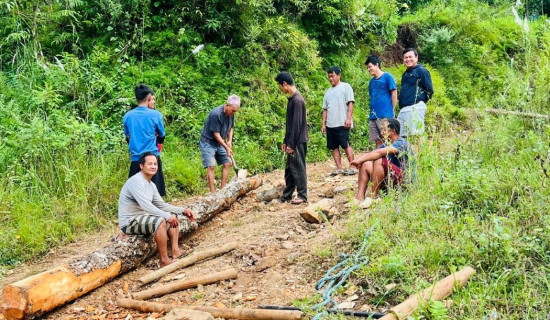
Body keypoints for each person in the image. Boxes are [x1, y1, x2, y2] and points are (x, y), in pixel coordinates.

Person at [118, 152, 195, 267]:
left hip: (143, 218)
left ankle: (176, 251)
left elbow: (161, 204)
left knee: (171, 215)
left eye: (155, 164)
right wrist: (167, 217)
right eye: (150, 164)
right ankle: (164, 260)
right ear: (141, 166)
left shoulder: (151, 184)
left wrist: (182, 210)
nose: (153, 166)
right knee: (161, 221)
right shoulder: (136, 181)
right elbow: (146, 206)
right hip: (130, 222)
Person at [349, 118, 416, 208]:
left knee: (379, 160)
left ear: (392, 131)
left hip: (404, 181)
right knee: (366, 164)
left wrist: (359, 160)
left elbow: (379, 153)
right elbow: (374, 153)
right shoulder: (387, 143)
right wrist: (362, 160)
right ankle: (359, 197)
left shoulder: (401, 143)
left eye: (384, 129)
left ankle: (374, 197)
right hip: (391, 177)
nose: (381, 132)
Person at [123, 84, 167, 196]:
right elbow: (162, 135)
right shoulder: (155, 115)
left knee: (136, 195)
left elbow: (127, 137)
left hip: (136, 159)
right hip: (152, 158)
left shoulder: (128, 116)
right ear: (148, 99)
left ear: (136, 98)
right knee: (155, 195)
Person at [276, 71, 309, 205]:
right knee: (289, 169)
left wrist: (291, 144)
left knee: (299, 167)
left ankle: (302, 195)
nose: (280, 89)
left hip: (298, 141)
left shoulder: (297, 100)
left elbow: (296, 125)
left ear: (285, 84)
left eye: (280, 86)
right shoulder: (292, 99)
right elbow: (289, 125)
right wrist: (286, 141)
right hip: (292, 140)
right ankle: (287, 194)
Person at [199, 95, 241, 193]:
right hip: (208, 142)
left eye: (235, 111)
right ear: (227, 105)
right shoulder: (216, 114)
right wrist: (226, 147)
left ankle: (223, 189)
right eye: (233, 111)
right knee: (211, 166)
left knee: (228, 163)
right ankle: (213, 193)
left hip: (220, 143)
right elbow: (216, 135)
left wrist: (229, 141)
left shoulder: (231, 114)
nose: (234, 113)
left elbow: (231, 128)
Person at [321, 66, 357, 176]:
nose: (331, 78)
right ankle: (339, 167)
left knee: (345, 144)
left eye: (333, 76)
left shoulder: (346, 87)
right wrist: (323, 124)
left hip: (342, 122)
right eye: (329, 77)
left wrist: (348, 118)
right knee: (334, 146)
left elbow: (351, 103)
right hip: (330, 124)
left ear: (339, 75)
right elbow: (325, 109)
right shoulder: (328, 92)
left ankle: (353, 166)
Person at [397, 48, 434, 137]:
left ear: (416, 57)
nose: (408, 59)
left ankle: (419, 151)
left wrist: (419, 102)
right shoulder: (405, 74)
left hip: (415, 108)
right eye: (406, 57)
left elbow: (430, 90)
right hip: (404, 109)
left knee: (416, 136)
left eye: (410, 57)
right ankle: (407, 151)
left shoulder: (421, 70)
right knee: (401, 137)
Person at [365, 55, 398, 148]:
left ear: (377, 65)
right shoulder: (371, 82)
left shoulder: (387, 77)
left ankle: (391, 161)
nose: (368, 69)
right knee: (378, 142)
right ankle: (380, 162)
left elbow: (394, 93)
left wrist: (392, 110)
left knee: (388, 139)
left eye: (370, 66)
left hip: (385, 115)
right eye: (367, 67)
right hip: (373, 116)